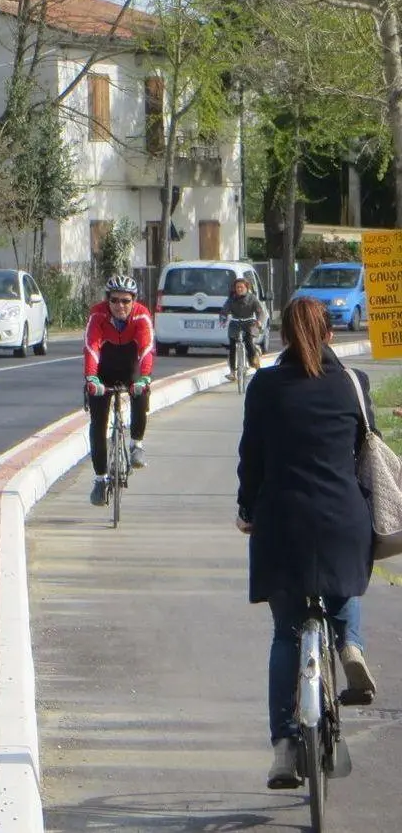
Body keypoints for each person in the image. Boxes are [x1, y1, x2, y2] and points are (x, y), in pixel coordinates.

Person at [236, 296, 377, 790]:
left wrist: (247, 509)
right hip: (344, 521)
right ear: (330, 335)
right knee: (346, 587)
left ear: (284, 337)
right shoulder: (353, 385)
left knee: (285, 635)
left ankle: (282, 746)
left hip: (281, 526)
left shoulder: (264, 386)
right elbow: (367, 450)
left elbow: (250, 457)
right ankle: (350, 644)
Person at [83, 274, 155, 506]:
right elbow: (91, 346)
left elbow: (146, 348)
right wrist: (92, 378)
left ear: (134, 300)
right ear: (108, 300)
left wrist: (144, 378)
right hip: (104, 368)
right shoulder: (98, 314)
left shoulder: (142, 315)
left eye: (125, 301)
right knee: (98, 423)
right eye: (115, 300)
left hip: (129, 366)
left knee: (141, 392)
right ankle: (100, 479)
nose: (120, 306)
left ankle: (137, 444)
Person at [219, 277, 267, 378]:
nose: (239, 289)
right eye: (237, 287)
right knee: (232, 346)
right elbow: (224, 310)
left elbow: (260, 312)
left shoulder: (252, 298)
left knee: (249, 342)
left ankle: (253, 360)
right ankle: (232, 372)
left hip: (249, 323)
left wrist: (259, 321)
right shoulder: (231, 299)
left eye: (241, 287)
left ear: (246, 288)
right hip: (235, 323)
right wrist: (223, 320)